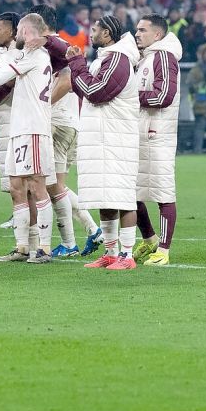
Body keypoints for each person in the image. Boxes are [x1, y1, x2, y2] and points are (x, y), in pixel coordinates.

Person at [67, 16, 142, 271]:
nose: (91, 32)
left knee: (121, 197)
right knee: (105, 196)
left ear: (108, 34)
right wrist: (78, 63)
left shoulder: (119, 59)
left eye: (95, 29)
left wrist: (77, 63)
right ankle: (110, 252)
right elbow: (87, 90)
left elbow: (95, 92)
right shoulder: (105, 57)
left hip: (116, 138)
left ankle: (127, 255)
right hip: (102, 137)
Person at [28, 4, 102, 258]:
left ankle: (79, 237)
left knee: (52, 185)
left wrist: (42, 107)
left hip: (58, 122)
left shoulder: (53, 46)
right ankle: (84, 234)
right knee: (54, 185)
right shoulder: (57, 45)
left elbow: (68, 78)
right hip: (69, 121)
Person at [0, 13, 55, 264]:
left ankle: (45, 248)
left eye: (19, 30)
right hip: (19, 130)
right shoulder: (27, 55)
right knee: (16, 186)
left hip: (34, 129)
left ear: (26, 32)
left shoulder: (37, 56)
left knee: (37, 187)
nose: (15, 34)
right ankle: (22, 247)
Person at [131, 14, 182, 266]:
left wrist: (129, 95)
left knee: (163, 191)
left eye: (142, 30)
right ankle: (149, 239)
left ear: (157, 35)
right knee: (133, 191)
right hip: (141, 132)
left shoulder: (164, 56)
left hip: (158, 134)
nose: (137, 34)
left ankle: (164, 249)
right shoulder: (146, 58)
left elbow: (165, 95)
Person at [0, 12, 20, 227]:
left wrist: (4, 86)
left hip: (20, 121)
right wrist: (7, 85)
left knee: (37, 181)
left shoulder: (24, 55)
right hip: (2, 122)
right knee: (11, 176)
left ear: (13, 31)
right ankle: (19, 214)